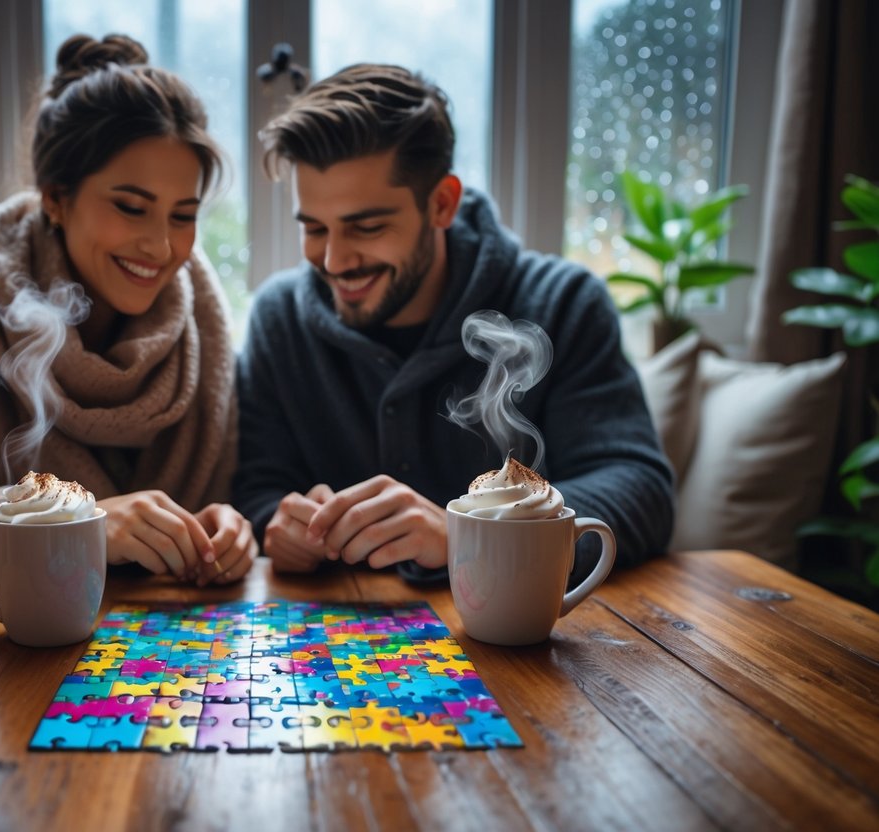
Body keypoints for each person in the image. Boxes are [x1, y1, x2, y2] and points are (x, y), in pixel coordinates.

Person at [234, 63, 673, 581]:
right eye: (313, 229)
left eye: (367, 227)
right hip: (332, 630)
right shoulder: (279, 319)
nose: (333, 261)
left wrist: (472, 535)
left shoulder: (564, 303)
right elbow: (256, 491)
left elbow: (640, 490)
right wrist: (279, 526)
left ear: (441, 203)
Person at [0, 34, 256, 587]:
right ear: (56, 198)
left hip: (164, 634)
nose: (161, 247)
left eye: (183, 216)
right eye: (130, 207)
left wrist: (225, 528)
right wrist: (72, 520)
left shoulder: (204, 332)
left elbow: (222, 510)